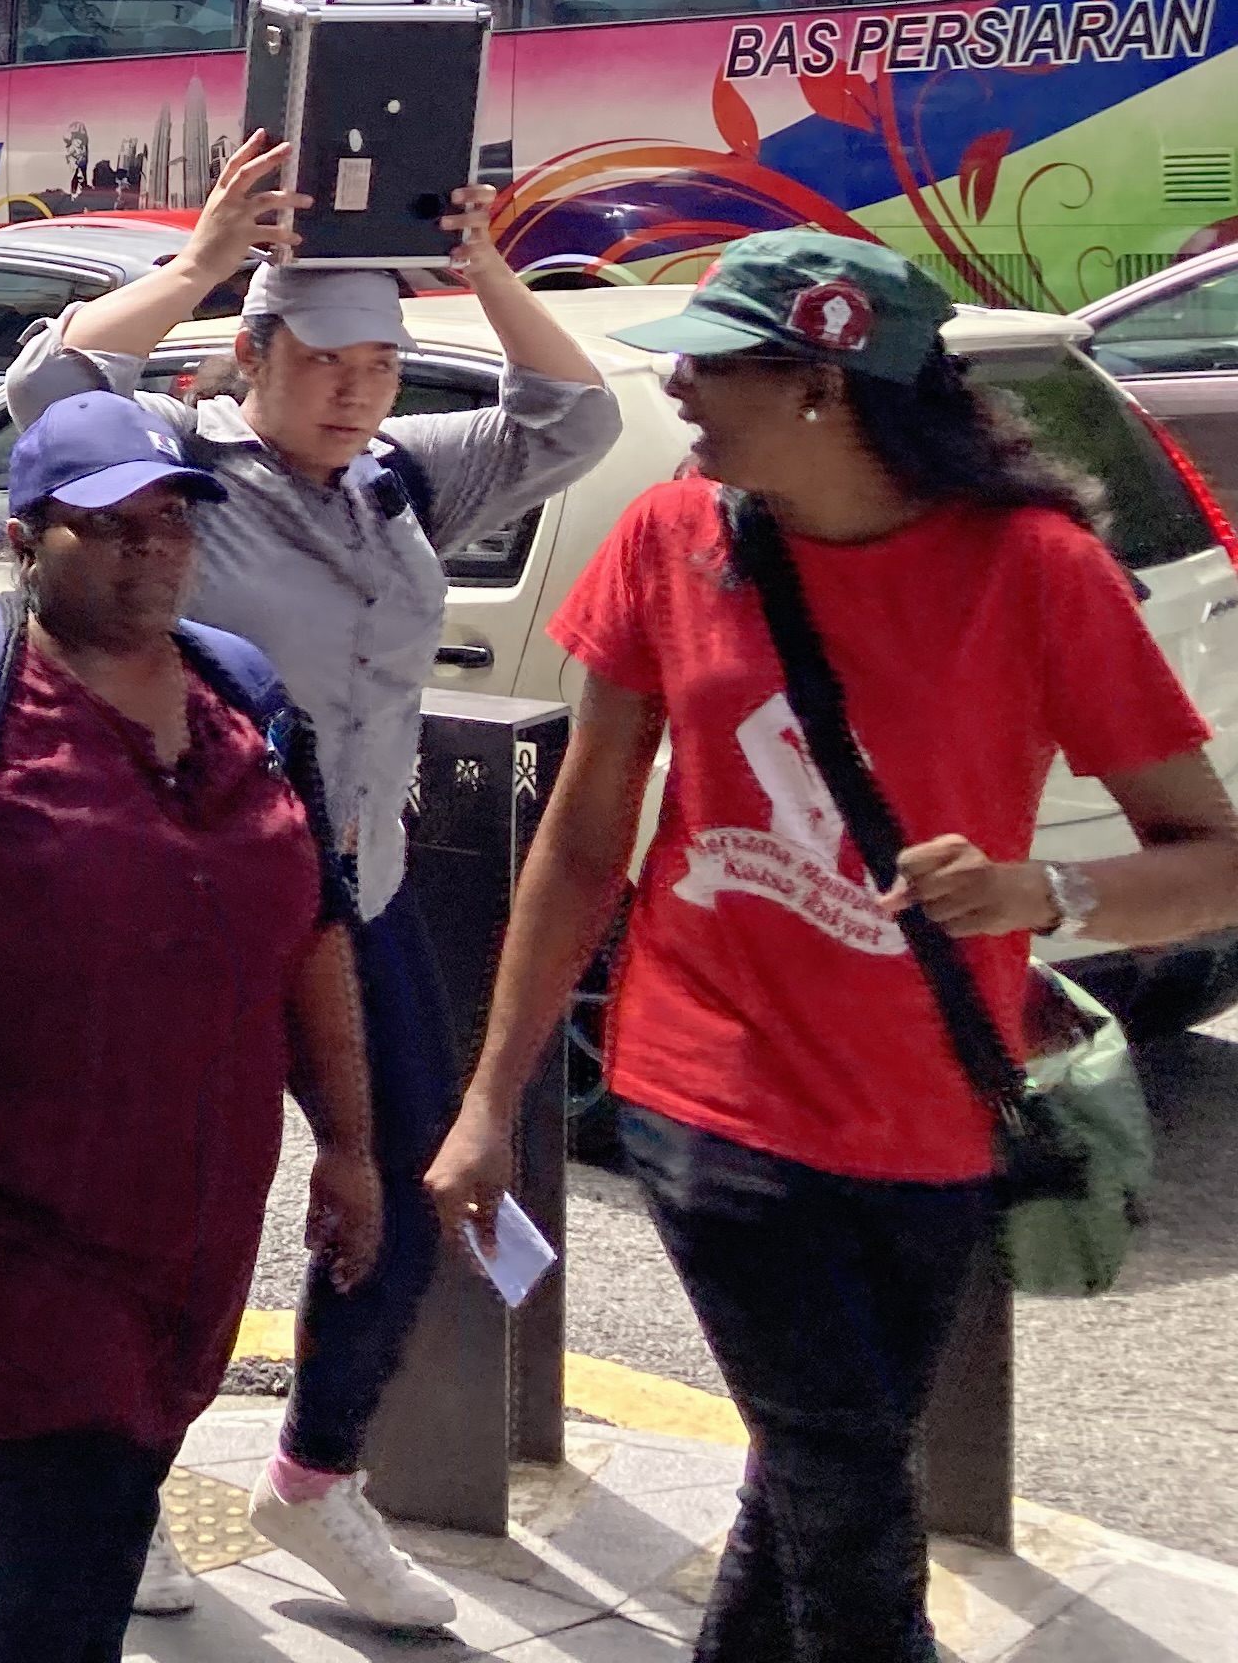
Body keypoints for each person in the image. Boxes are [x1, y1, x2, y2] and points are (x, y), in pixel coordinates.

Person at [431, 233, 1238, 1663]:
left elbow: (1214, 861)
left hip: (929, 1117)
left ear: (823, 383)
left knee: (805, 1476)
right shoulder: (670, 540)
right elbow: (579, 842)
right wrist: (494, 1101)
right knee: (853, 1499)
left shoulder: (1036, 570)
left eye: (713, 361)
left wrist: (1042, 890)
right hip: (706, 1093)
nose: (676, 383)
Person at [1, 131, 620, 1627]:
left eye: (384, 368)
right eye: (327, 361)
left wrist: (482, 269)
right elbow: (43, 389)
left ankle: (314, 1480)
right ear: (255, 354)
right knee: (166, 1210)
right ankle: (122, 1488)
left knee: (410, 1202)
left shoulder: (403, 483)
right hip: (190, 900)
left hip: (365, 888)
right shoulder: (180, 479)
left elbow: (577, 417)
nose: (357, 393)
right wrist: (206, 260)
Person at [0, 391, 378, 1663]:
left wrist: (353, 1145)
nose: (148, 549)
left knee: (112, 1481)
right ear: (25, 539)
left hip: (188, 1222)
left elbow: (316, 924)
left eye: (171, 521)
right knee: (58, 1489)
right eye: (108, 527)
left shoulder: (244, 698)